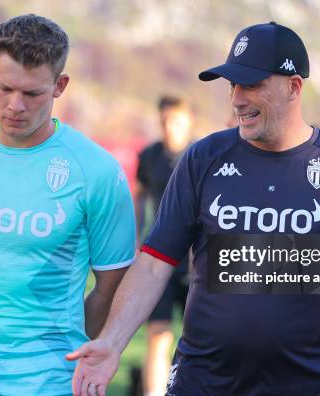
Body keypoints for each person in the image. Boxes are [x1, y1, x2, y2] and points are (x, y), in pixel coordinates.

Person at [67, 22, 320, 396]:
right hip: (202, 383)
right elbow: (155, 262)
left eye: (251, 84)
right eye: (232, 85)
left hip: (307, 385)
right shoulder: (203, 157)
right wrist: (111, 343)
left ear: (294, 86)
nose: (236, 98)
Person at [0, 14, 135, 396]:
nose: (15, 105)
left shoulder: (97, 171)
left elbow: (113, 286)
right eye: (5, 88)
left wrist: (61, 353)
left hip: (51, 381)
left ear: (60, 86)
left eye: (33, 93)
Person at [134, 96, 193, 396]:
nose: (169, 127)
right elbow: (139, 195)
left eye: (176, 121)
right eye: (164, 121)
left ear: (189, 121)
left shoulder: (201, 155)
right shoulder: (149, 156)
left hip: (195, 262)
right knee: (158, 335)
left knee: (199, 339)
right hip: (159, 260)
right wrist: (134, 241)